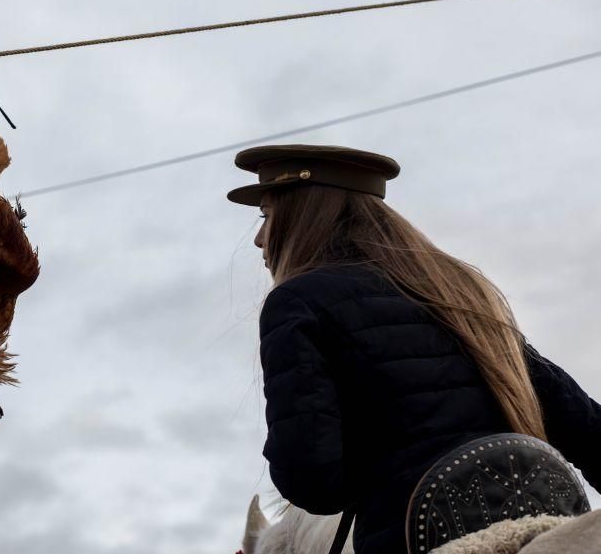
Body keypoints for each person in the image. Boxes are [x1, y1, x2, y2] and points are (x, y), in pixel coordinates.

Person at [226, 144, 601, 553]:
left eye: (266, 217)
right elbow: (586, 427)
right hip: (551, 512)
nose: (260, 239)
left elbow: (312, 484)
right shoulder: (463, 293)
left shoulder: (296, 301)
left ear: (304, 217)